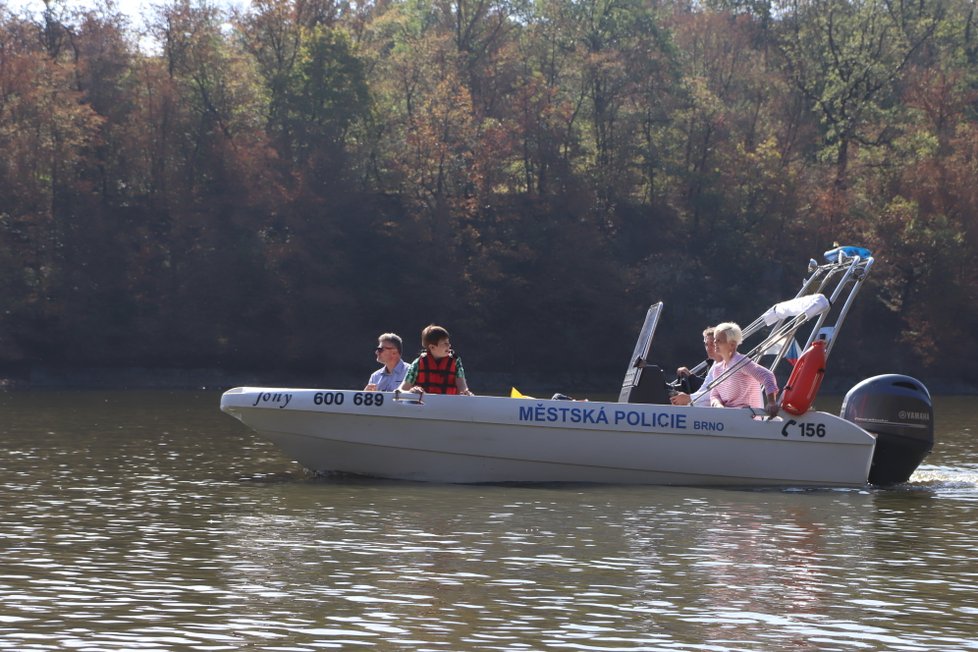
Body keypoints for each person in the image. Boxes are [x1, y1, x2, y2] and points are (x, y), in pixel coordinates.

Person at [709, 322, 779, 417]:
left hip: (748, 419)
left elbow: (767, 376)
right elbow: (714, 395)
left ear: (732, 345)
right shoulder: (717, 368)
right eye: (715, 340)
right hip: (727, 418)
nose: (715, 343)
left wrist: (771, 402)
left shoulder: (740, 362)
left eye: (719, 341)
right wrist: (718, 406)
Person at [399, 324, 474, 396]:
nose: (449, 345)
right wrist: (411, 392)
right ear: (432, 347)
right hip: (424, 407)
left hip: (449, 406)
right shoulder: (417, 363)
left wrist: (465, 393)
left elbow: (462, 387)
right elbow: (401, 390)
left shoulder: (456, 361)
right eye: (445, 343)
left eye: (448, 342)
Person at [670, 327, 721, 406]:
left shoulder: (730, 365)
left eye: (712, 344)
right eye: (706, 344)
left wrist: (689, 398)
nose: (708, 348)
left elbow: (716, 391)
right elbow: (704, 387)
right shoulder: (714, 365)